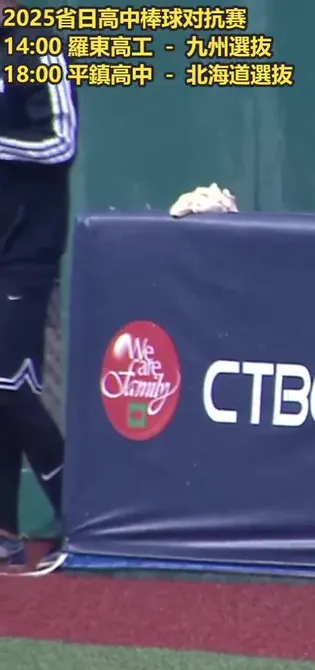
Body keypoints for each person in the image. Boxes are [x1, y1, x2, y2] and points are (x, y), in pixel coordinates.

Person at [0, 1, 78, 569]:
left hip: (28, 249)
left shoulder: (38, 44)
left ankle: (83, 515)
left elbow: (60, 140)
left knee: (9, 384)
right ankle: (5, 532)